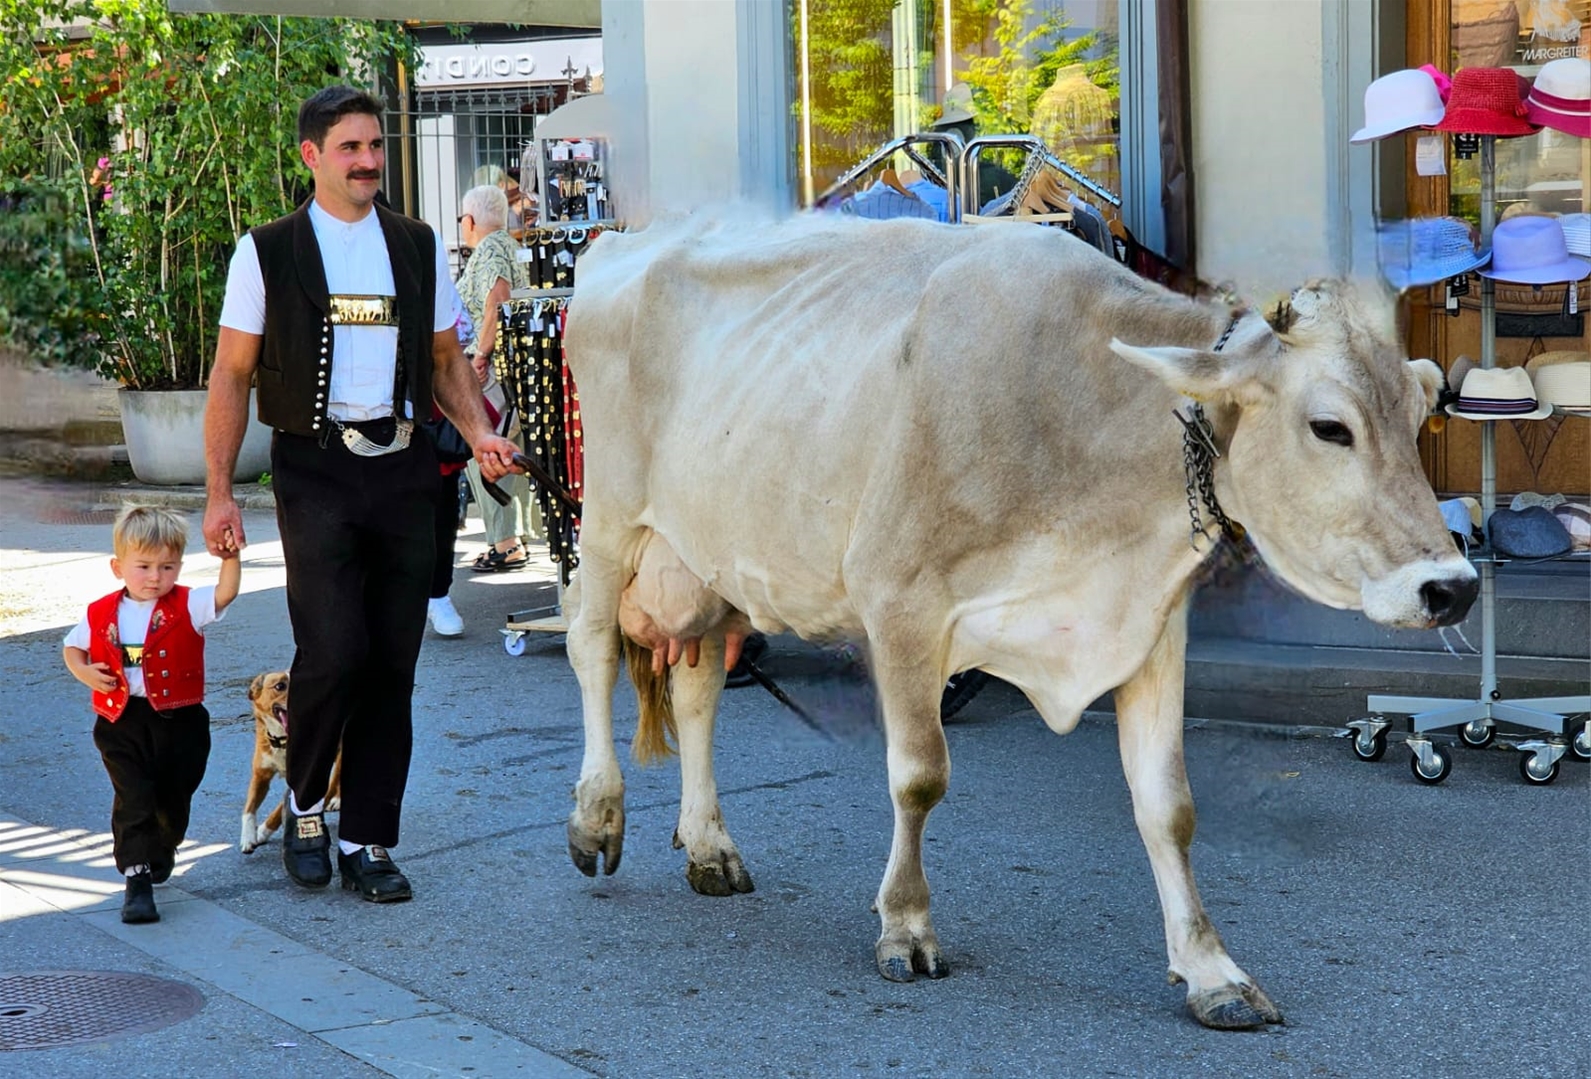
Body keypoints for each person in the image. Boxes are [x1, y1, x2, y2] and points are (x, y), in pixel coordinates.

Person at [202, 85, 519, 904]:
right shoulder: (266, 251)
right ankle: (306, 804)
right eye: (350, 147)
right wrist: (219, 492)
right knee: (334, 647)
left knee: (392, 659)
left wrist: (480, 432)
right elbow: (231, 374)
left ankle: (367, 836)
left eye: (375, 145)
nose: (369, 160)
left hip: (405, 466)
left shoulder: (415, 244)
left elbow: (445, 361)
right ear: (312, 155)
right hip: (315, 468)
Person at [62, 505, 241, 924]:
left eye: (167, 567)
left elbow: (225, 593)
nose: (155, 577)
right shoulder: (101, 612)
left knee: (173, 795)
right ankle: (137, 877)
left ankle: (165, 841)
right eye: (143, 566)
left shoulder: (188, 604)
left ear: (179, 566)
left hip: (180, 721)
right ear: (118, 568)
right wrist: (84, 671)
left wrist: (230, 557)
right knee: (134, 796)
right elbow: (73, 647)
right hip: (121, 721)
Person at [456, 182, 540, 573]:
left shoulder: (489, 249)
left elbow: (497, 301)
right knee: (510, 448)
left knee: (484, 449)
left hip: (493, 367)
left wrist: (482, 354)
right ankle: (514, 539)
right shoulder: (508, 244)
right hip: (514, 366)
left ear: (470, 220)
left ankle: (505, 543)